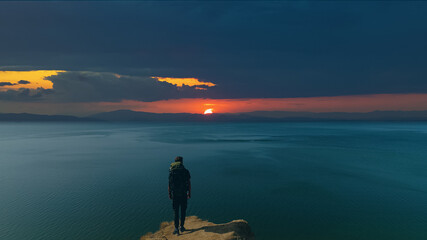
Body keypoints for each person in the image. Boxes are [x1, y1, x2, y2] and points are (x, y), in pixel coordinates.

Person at [168, 156, 191, 235]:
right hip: (183, 194)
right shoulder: (185, 171)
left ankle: (176, 228)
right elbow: (189, 183)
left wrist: (170, 194)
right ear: (182, 162)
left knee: (176, 212)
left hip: (175, 195)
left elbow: (169, 184)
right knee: (183, 211)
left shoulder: (172, 171)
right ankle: (182, 226)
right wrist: (189, 193)